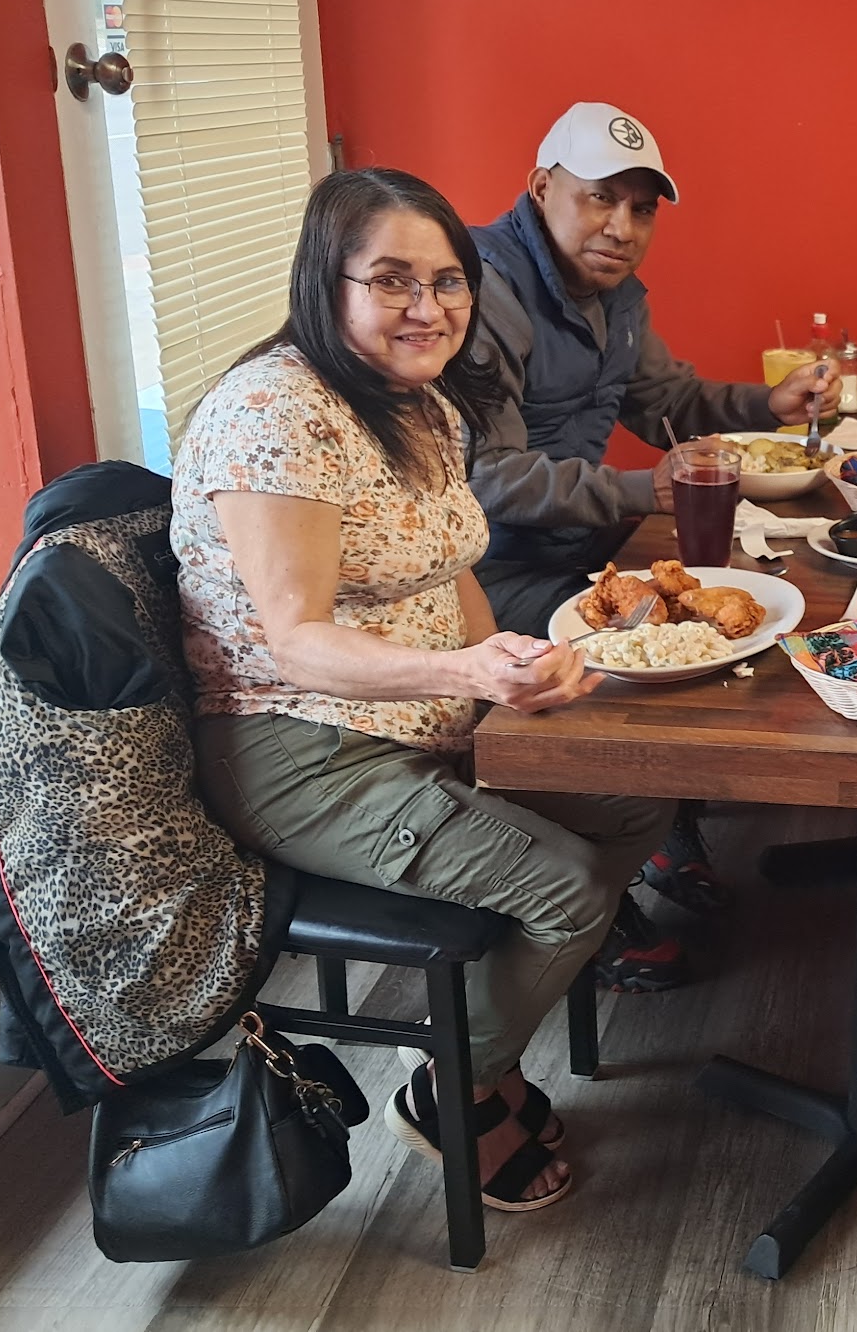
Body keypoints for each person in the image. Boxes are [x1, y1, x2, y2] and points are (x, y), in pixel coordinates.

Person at [174, 167, 674, 1212]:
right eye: (392, 281)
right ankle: (456, 1088)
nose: (428, 308)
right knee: (567, 888)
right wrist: (460, 674)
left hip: (414, 715)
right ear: (327, 281)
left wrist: (510, 679)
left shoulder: (419, 404)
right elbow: (297, 641)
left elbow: (450, 569)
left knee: (634, 799)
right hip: (291, 745)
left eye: (448, 282)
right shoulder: (276, 412)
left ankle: (480, 1036)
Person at [464, 102, 839, 985]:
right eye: (600, 200)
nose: (622, 229)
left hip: (579, 549)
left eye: (642, 210)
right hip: (491, 572)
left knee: (724, 626)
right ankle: (600, 894)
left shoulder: (613, 297)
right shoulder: (485, 290)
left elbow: (665, 397)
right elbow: (488, 477)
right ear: (541, 187)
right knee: (669, 645)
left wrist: (763, 405)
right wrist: (644, 489)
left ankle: (656, 830)